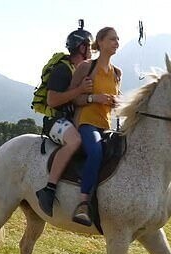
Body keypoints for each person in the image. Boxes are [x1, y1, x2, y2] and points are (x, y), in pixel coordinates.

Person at [36, 21, 94, 217]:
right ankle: (49, 189)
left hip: (72, 120)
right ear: (82, 47)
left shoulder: (84, 69)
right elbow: (52, 100)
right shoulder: (62, 69)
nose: (91, 51)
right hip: (56, 121)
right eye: (89, 47)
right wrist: (79, 90)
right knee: (75, 141)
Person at [69, 27, 122, 226]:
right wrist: (94, 97)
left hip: (106, 125)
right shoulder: (86, 67)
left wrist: (116, 102)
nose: (116, 42)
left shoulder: (117, 73)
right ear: (99, 42)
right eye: (112, 39)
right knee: (96, 151)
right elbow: (72, 98)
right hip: (86, 123)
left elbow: (118, 100)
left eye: (118, 39)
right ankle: (83, 204)